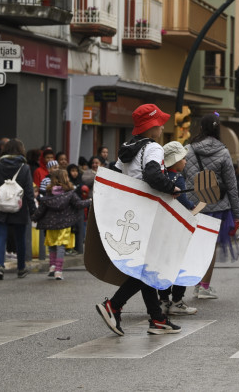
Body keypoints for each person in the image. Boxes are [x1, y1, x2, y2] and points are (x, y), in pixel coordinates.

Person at [95, 104, 184, 336]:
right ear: (151, 127)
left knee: (146, 267)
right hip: (148, 213)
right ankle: (114, 305)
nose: (163, 126)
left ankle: (157, 318)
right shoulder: (153, 148)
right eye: (160, 122)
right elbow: (153, 175)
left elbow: (113, 176)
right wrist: (171, 187)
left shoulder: (126, 149)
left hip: (128, 212)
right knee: (147, 268)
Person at [184, 113, 239, 300]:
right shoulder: (224, 152)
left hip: (193, 206)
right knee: (209, 248)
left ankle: (195, 283)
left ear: (201, 128)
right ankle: (204, 286)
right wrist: (237, 213)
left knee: (194, 246)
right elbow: (232, 186)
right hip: (217, 207)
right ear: (217, 130)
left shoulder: (187, 150)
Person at [158, 141, 198, 314]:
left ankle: (163, 300)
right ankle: (177, 300)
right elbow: (181, 200)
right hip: (178, 227)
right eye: (183, 158)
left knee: (163, 264)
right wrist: (192, 206)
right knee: (182, 262)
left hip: (163, 227)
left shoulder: (160, 177)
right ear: (175, 161)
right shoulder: (177, 179)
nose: (186, 162)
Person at [33, 168, 90, 280]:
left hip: (50, 225)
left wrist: (34, 217)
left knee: (52, 246)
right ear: (65, 179)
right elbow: (78, 204)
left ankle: (52, 267)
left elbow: (41, 209)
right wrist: (90, 201)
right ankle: (58, 271)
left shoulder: (49, 194)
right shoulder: (70, 193)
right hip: (64, 225)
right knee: (61, 247)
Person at [0, 139, 34, 280]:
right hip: (19, 207)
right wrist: (32, 209)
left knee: (1, 236)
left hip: (1, 206)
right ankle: (21, 268)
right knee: (20, 238)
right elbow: (29, 191)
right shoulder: (24, 168)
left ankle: (0, 266)